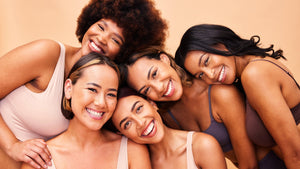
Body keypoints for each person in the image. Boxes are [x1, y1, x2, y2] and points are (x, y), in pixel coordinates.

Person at [0, 0, 167, 168]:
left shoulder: (102, 101)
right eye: (101, 27)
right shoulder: (47, 54)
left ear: (123, 53)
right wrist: (11, 145)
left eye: (115, 40)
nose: (102, 38)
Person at [118, 46, 287, 169]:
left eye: (154, 74)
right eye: (147, 89)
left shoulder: (221, 94)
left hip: (279, 162)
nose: (159, 87)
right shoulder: (167, 115)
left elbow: (249, 164)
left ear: (164, 59)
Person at [175, 24, 300, 169]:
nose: (210, 75)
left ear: (220, 44)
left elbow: (295, 154)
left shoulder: (255, 74)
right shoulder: (250, 70)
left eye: (206, 61)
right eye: (201, 75)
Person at [20, 52, 151, 169]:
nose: (101, 103)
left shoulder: (132, 151)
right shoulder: (40, 160)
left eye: (110, 94)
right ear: (69, 89)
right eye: (92, 90)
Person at [111, 87, 227, 169]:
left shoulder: (202, 146)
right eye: (127, 124)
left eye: (138, 109)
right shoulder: (138, 164)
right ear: (122, 134)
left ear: (152, 104)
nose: (140, 123)